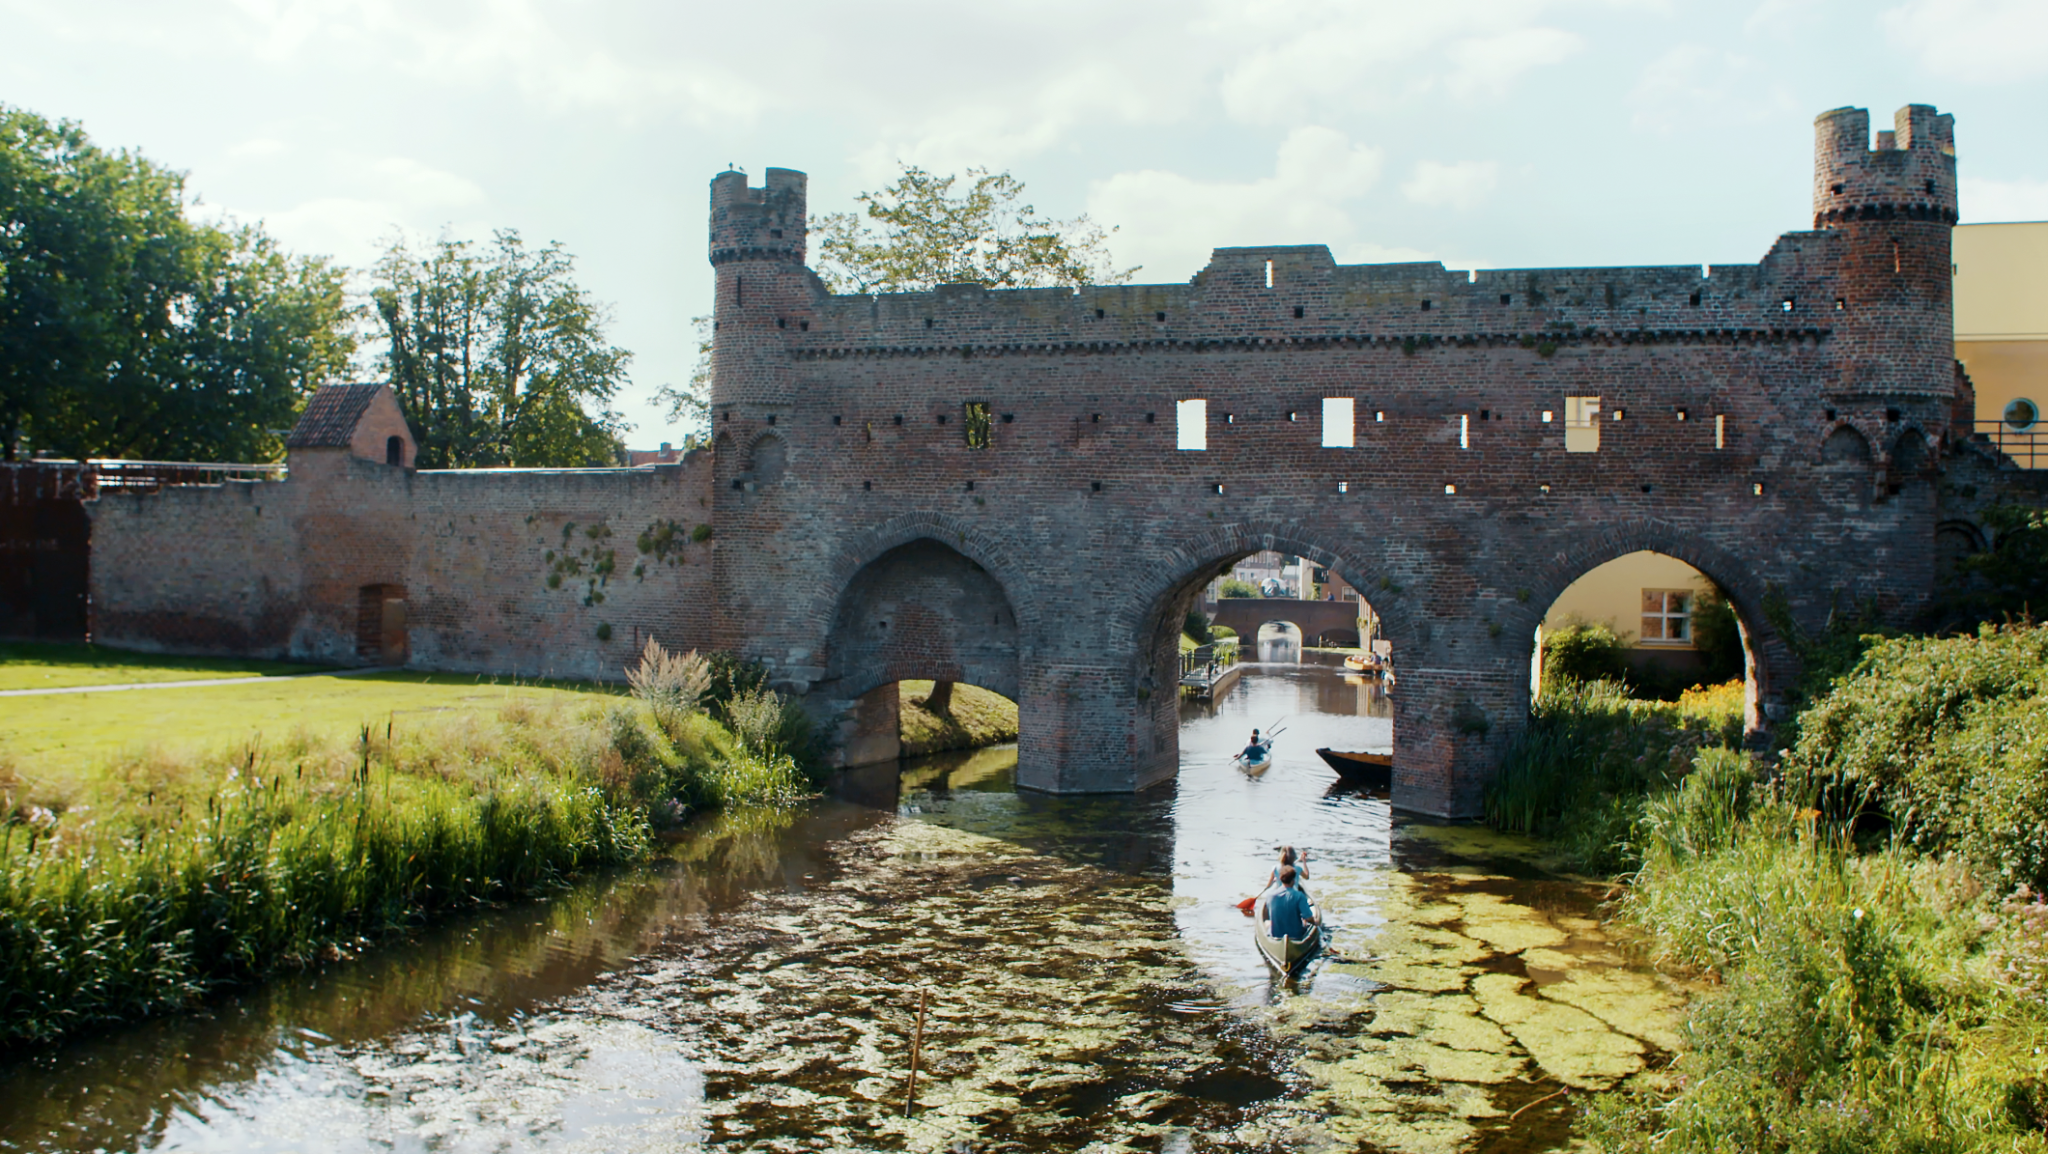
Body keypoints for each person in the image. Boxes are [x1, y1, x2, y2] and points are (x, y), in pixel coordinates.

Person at [1264, 865, 1317, 940]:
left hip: (1276, 934)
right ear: (1293, 880)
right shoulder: (1299, 896)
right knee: (1305, 923)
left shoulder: (1270, 895)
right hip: (1296, 935)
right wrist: (1314, 921)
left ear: (1280, 879)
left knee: (1267, 922)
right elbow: (1308, 918)